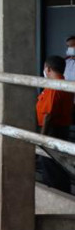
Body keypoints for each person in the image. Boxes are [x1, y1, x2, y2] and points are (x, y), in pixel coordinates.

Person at [35, 56, 73, 192]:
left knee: (50, 165)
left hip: (52, 130)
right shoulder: (64, 84)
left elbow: (48, 115)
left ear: (48, 69)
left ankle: (56, 193)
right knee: (58, 164)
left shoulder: (54, 86)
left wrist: (41, 137)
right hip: (60, 128)